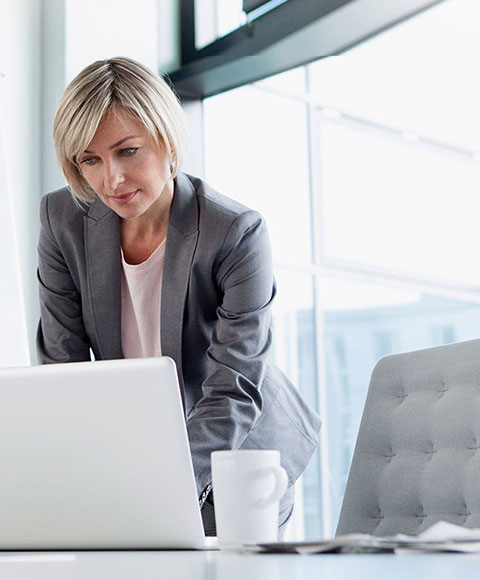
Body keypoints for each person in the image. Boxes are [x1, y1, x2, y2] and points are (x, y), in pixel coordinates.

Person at [36, 56, 320, 536]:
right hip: (136, 457)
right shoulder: (62, 219)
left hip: (238, 457)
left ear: (167, 140)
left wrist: (157, 489)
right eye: (91, 160)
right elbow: (63, 371)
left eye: (128, 151)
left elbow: (233, 386)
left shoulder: (235, 233)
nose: (112, 180)